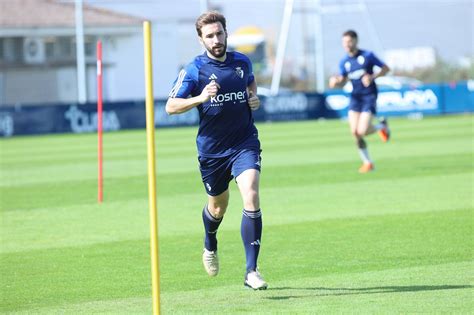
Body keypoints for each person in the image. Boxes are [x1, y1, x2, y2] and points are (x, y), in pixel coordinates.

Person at [165, 11, 267, 290]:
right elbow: (170, 106)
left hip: (244, 142)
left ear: (226, 33)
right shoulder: (194, 69)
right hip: (212, 152)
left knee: (252, 192)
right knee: (218, 207)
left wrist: (253, 98)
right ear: (201, 40)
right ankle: (210, 242)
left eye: (219, 33)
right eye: (209, 36)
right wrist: (200, 97)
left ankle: (251, 271)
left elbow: (250, 83)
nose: (216, 39)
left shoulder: (242, 61)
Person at [329, 30, 391, 173]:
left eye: (349, 41)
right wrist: (335, 82)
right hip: (355, 98)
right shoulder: (344, 62)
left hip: (369, 96)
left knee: (362, 130)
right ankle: (367, 163)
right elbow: (343, 80)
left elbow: (386, 68)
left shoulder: (367, 56)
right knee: (355, 132)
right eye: (344, 42)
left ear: (356, 41)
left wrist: (373, 77)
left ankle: (381, 127)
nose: (347, 45)